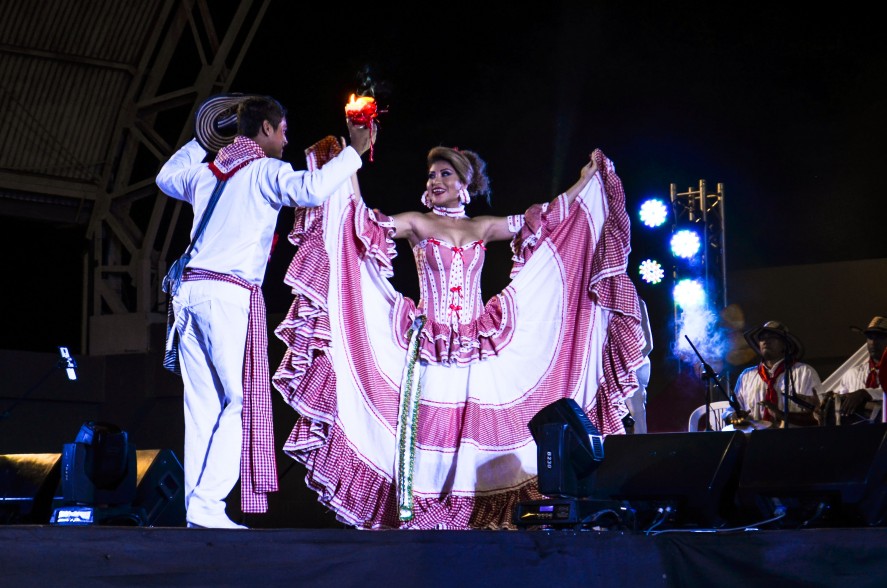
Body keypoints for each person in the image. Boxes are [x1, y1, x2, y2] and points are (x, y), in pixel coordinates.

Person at [272, 144, 647, 529]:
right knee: (426, 430)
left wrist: (584, 183)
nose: (435, 181)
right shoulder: (418, 223)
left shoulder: (481, 227)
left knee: (470, 432)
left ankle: (469, 514)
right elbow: (360, 222)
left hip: (477, 344)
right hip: (430, 343)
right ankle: (418, 510)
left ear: (464, 183)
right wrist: (348, 159)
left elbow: (550, 219)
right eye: (432, 175)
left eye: (444, 174)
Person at [155, 94, 374, 529]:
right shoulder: (265, 171)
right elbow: (311, 190)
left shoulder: (207, 172)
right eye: (284, 130)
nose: (287, 138)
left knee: (203, 407)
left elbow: (164, 177)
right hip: (225, 297)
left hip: (190, 296)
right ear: (268, 129)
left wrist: (203, 140)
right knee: (237, 402)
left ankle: (199, 510)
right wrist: (355, 151)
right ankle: (209, 507)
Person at [730, 320, 822, 428]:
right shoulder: (746, 376)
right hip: (755, 439)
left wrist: (781, 415)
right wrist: (734, 415)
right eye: (762, 338)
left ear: (785, 344)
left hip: (794, 439)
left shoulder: (805, 372)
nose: (766, 341)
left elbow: (819, 414)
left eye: (772, 337)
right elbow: (732, 409)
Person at [828, 316, 887, 423]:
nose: (873, 342)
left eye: (879, 337)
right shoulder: (852, 374)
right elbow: (838, 407)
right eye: (870, 337)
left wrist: (865, 393)